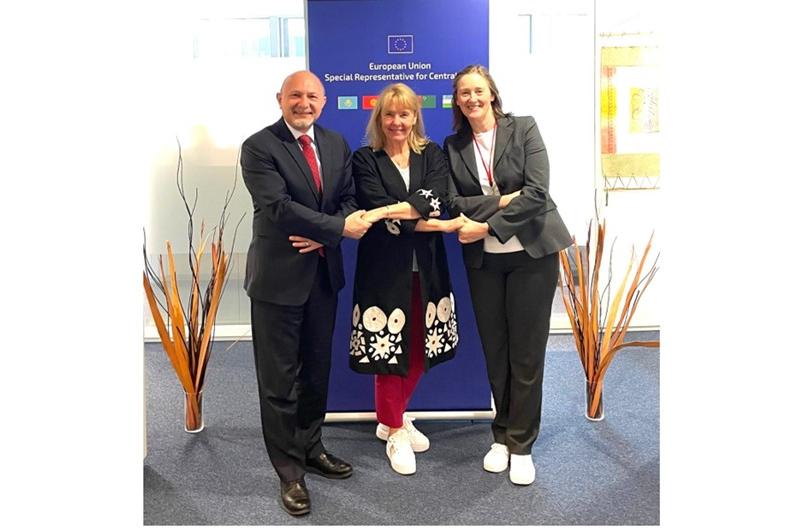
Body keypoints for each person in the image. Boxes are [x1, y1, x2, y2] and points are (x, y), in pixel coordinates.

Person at [240, 70, 372, 516]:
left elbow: (351, 200)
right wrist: (335, 230)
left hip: (322, 276)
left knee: (316, 372)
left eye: (312, 96)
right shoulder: (259, 146)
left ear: (324, 101)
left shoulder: (335, 143)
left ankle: (311, 447)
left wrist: (326, 234)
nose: (304, 103)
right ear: (280, 98)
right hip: (278, 281)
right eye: (295, 95)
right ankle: (289, 472)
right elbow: (277, 208)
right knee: (278, 381)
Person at [443, 65, 572, 486]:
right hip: (485, 263)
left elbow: (536, 194)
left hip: (532, 255)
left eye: (478, 90)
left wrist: (486, 225)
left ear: (492, 94)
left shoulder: (524, 129)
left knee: (526, 354)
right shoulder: (453, 145)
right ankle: (500, 435)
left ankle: (522, 444)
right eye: (464, 93)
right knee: (496, 352)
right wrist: (502, 201)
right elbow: (453, 203)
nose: (472, 98)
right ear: (457, 100)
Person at [348, 83, 462, 475]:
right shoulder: (365, 158)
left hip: (427, 268)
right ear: (379, 118)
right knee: (387, 350)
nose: (397, 122)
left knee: (418, 348)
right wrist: (434, 224)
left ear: (415, 116)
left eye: (405, 114)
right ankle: (395, 428)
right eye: (390, 114)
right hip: (382, 270)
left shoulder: (432, 153)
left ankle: (391, 417)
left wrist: (389, 213)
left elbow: (438, 199)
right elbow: (374, 205)